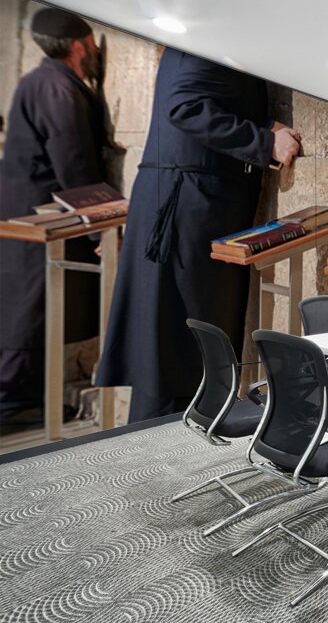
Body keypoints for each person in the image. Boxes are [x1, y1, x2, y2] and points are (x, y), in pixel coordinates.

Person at [95, 48, 300, 422]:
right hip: (186, 207)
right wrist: (264, 142)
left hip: (187, 202)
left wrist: (261, 126)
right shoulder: (202, 38)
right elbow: (184, 105)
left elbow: (209, 98)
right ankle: (159, 466)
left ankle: (173, 456)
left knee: (181, 345)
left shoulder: (203, 35)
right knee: (176, 348)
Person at [0, 8, 106, 419]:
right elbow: (74, 162)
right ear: (79, 45)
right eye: (94, 44)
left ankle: (23, 396)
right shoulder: (56, 89)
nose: (96, 51)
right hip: (38, 213)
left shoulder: (41, 81)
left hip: (27, 210)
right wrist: (100, 229)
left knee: (30, 302)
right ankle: (14, 399)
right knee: (31, 303)